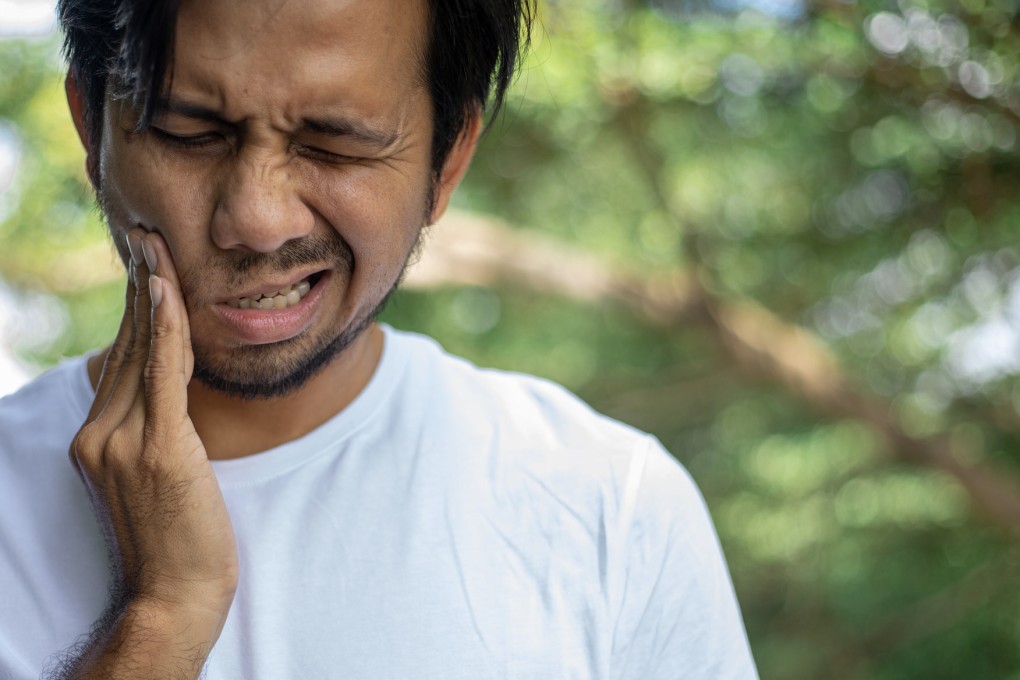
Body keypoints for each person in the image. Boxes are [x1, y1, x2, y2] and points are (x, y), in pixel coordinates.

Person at [0, 0, 759, 677]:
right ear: (89, 128)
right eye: (190, 133)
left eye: (338, 145)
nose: (258, 219)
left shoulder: (610, 510)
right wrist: (163, 617)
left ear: (448, 160)